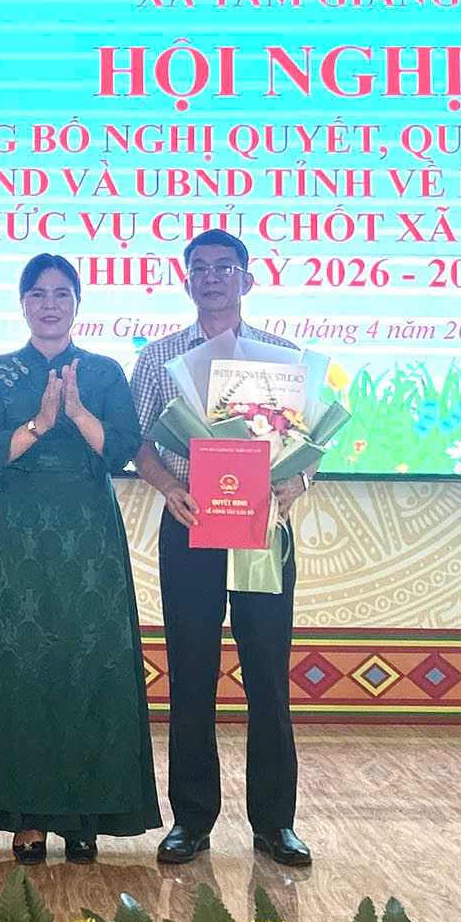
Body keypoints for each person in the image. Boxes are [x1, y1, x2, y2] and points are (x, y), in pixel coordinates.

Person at [0, 254, 158, 865]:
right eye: (38, 294)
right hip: (21, 534)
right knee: (22, 663)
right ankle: (26, 818)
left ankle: (82, 817)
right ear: (22, 303)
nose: (50, 305)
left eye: (62, 294)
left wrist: (76, 413)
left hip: (90, 533)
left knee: (90, 660)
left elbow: (121, 451)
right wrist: (42, 423)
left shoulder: (104, 371)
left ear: (77, 303)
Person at [129, 228, 315, 868]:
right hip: (191, 524)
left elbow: (308, 444)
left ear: (247, 279)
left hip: (263, 529)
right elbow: (138, 442)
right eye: (200, 268)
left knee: (267, 676)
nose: (212, 277)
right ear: (186, 281)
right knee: (190, 675)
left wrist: (296, 483)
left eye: (225, 267)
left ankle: (275, 825)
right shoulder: (158, 358)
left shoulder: (282, 357)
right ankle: (192, 821)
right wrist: (168, 489)